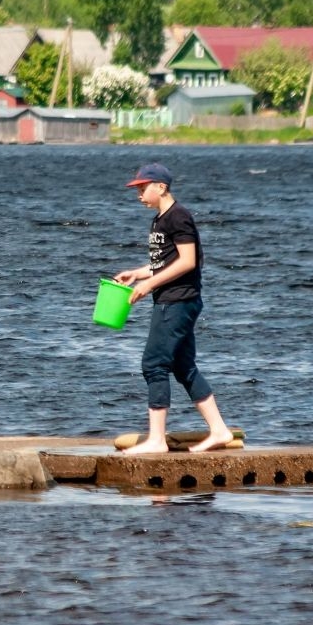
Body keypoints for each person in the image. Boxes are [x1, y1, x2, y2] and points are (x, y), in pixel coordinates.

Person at [114, 163, 234, 455]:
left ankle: (156, 440)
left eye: (143, 188)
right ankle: (219, 430)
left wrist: (150, 285)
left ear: (161, 187)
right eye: (137, 189)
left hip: (177, 301)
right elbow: (165, 261)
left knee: (154, 364)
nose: (139, 194)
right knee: (183, 366)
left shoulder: (178, 216)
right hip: (173, 299)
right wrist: (138, 274)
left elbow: (187, 261)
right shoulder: (159, 219)